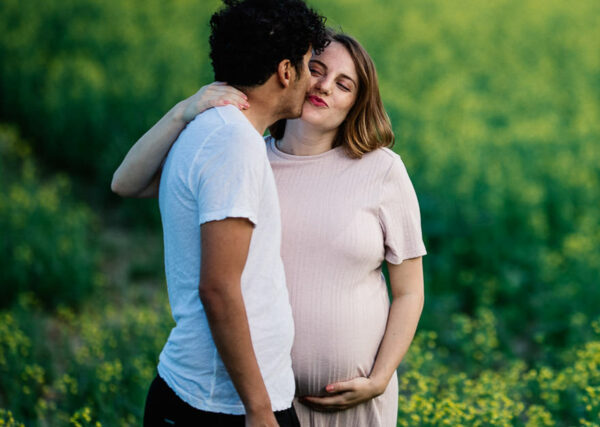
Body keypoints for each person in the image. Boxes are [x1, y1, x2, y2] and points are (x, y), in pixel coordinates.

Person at [112, 29, 426, 426]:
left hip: (355, 405)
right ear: (290, 73)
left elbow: (410, 290)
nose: (325, 87)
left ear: (355, 104)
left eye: (344, 85)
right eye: (317, 69)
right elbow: (128, 182)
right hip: (264, 401)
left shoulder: (382, 171)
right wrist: (183, 110)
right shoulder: (243, 158)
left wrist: (379, 379)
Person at [116, 0, 330, 426]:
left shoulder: (211, 129)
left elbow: (125, 182)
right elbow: (218, 287)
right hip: (222, 405)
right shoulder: (234, 145)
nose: (312, 81)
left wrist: (183, 110)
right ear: (286, 71)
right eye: (309, 66)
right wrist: (259, 409)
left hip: (207, 393)